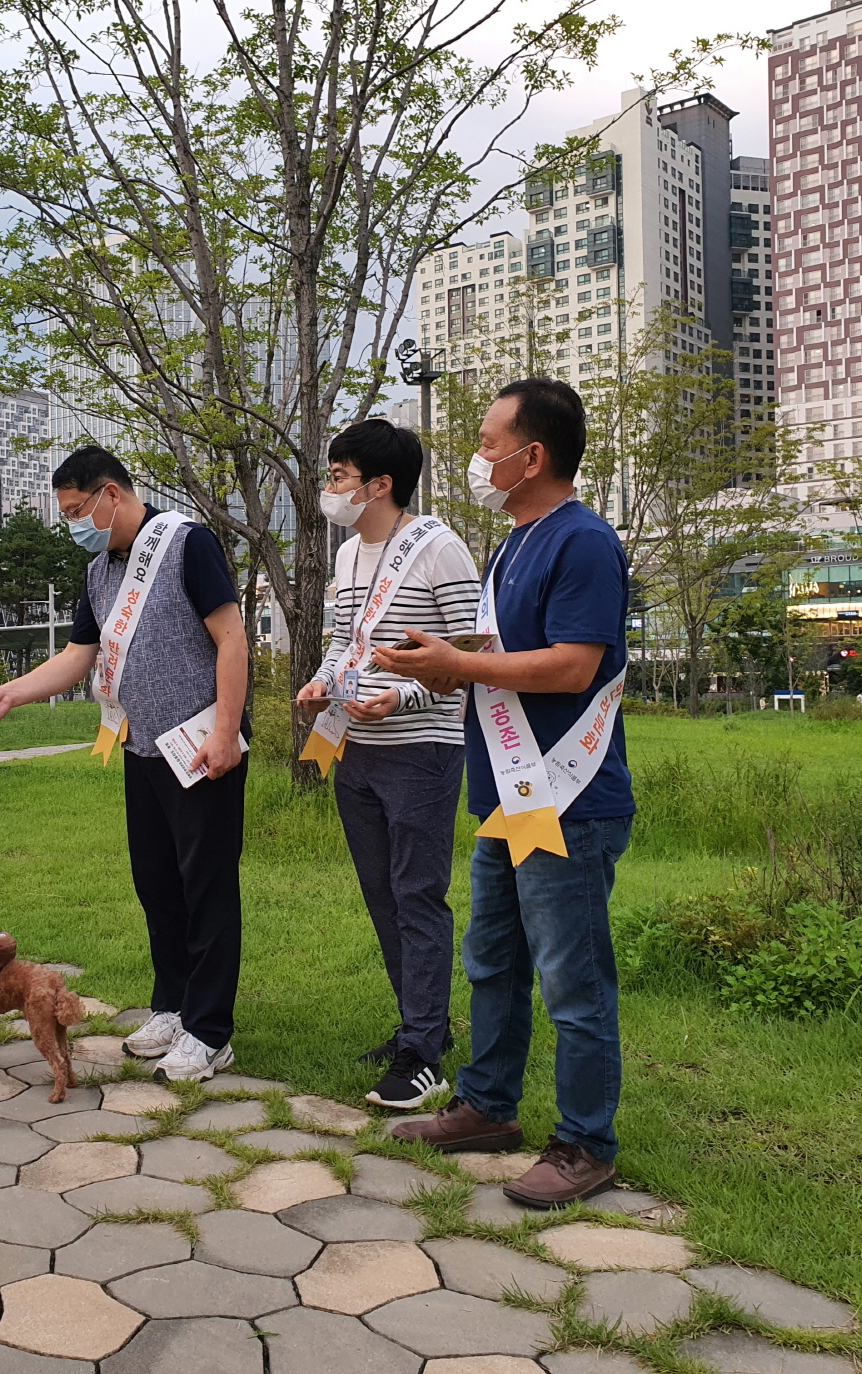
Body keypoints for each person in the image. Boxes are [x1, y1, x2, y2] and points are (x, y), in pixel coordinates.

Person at [374, 377, 634, 1209]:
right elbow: (496, 657)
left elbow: (573, 664)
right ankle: (487, 1106)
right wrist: (431, 665)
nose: (479, 458)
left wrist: (458, 663)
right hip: (505, 798)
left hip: (567, 797)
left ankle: (587, 1143)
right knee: (493, 959)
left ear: (535, 456)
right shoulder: (513, 542)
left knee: (572, 978)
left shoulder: (582, 542)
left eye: (490, 444)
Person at [0, 446, 249, 1083]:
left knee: (205, 888)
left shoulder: (186, 543)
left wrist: (227, 731)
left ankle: (210, 1031)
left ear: (111, 495)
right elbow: (78, 657)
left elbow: (232, 638)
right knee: (157, 884)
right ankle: (172, 1005)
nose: (73, 524)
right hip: (141, 747)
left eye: (76, 510)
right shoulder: (99, 571)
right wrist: (11, 692)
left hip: (202, 746)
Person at [296, 418, 481, 1111]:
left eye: (339, 477)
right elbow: (341, 642)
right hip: (359, 751)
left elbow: (470, 654)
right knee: (382, 896)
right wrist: (322, 683)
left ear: (380, 484)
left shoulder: (439, 549)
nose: (330, 489)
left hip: (423, 752)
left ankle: (423, 1053)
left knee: (416, 895)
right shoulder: (347, 557)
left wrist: (399, 695)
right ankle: (419, 1027)